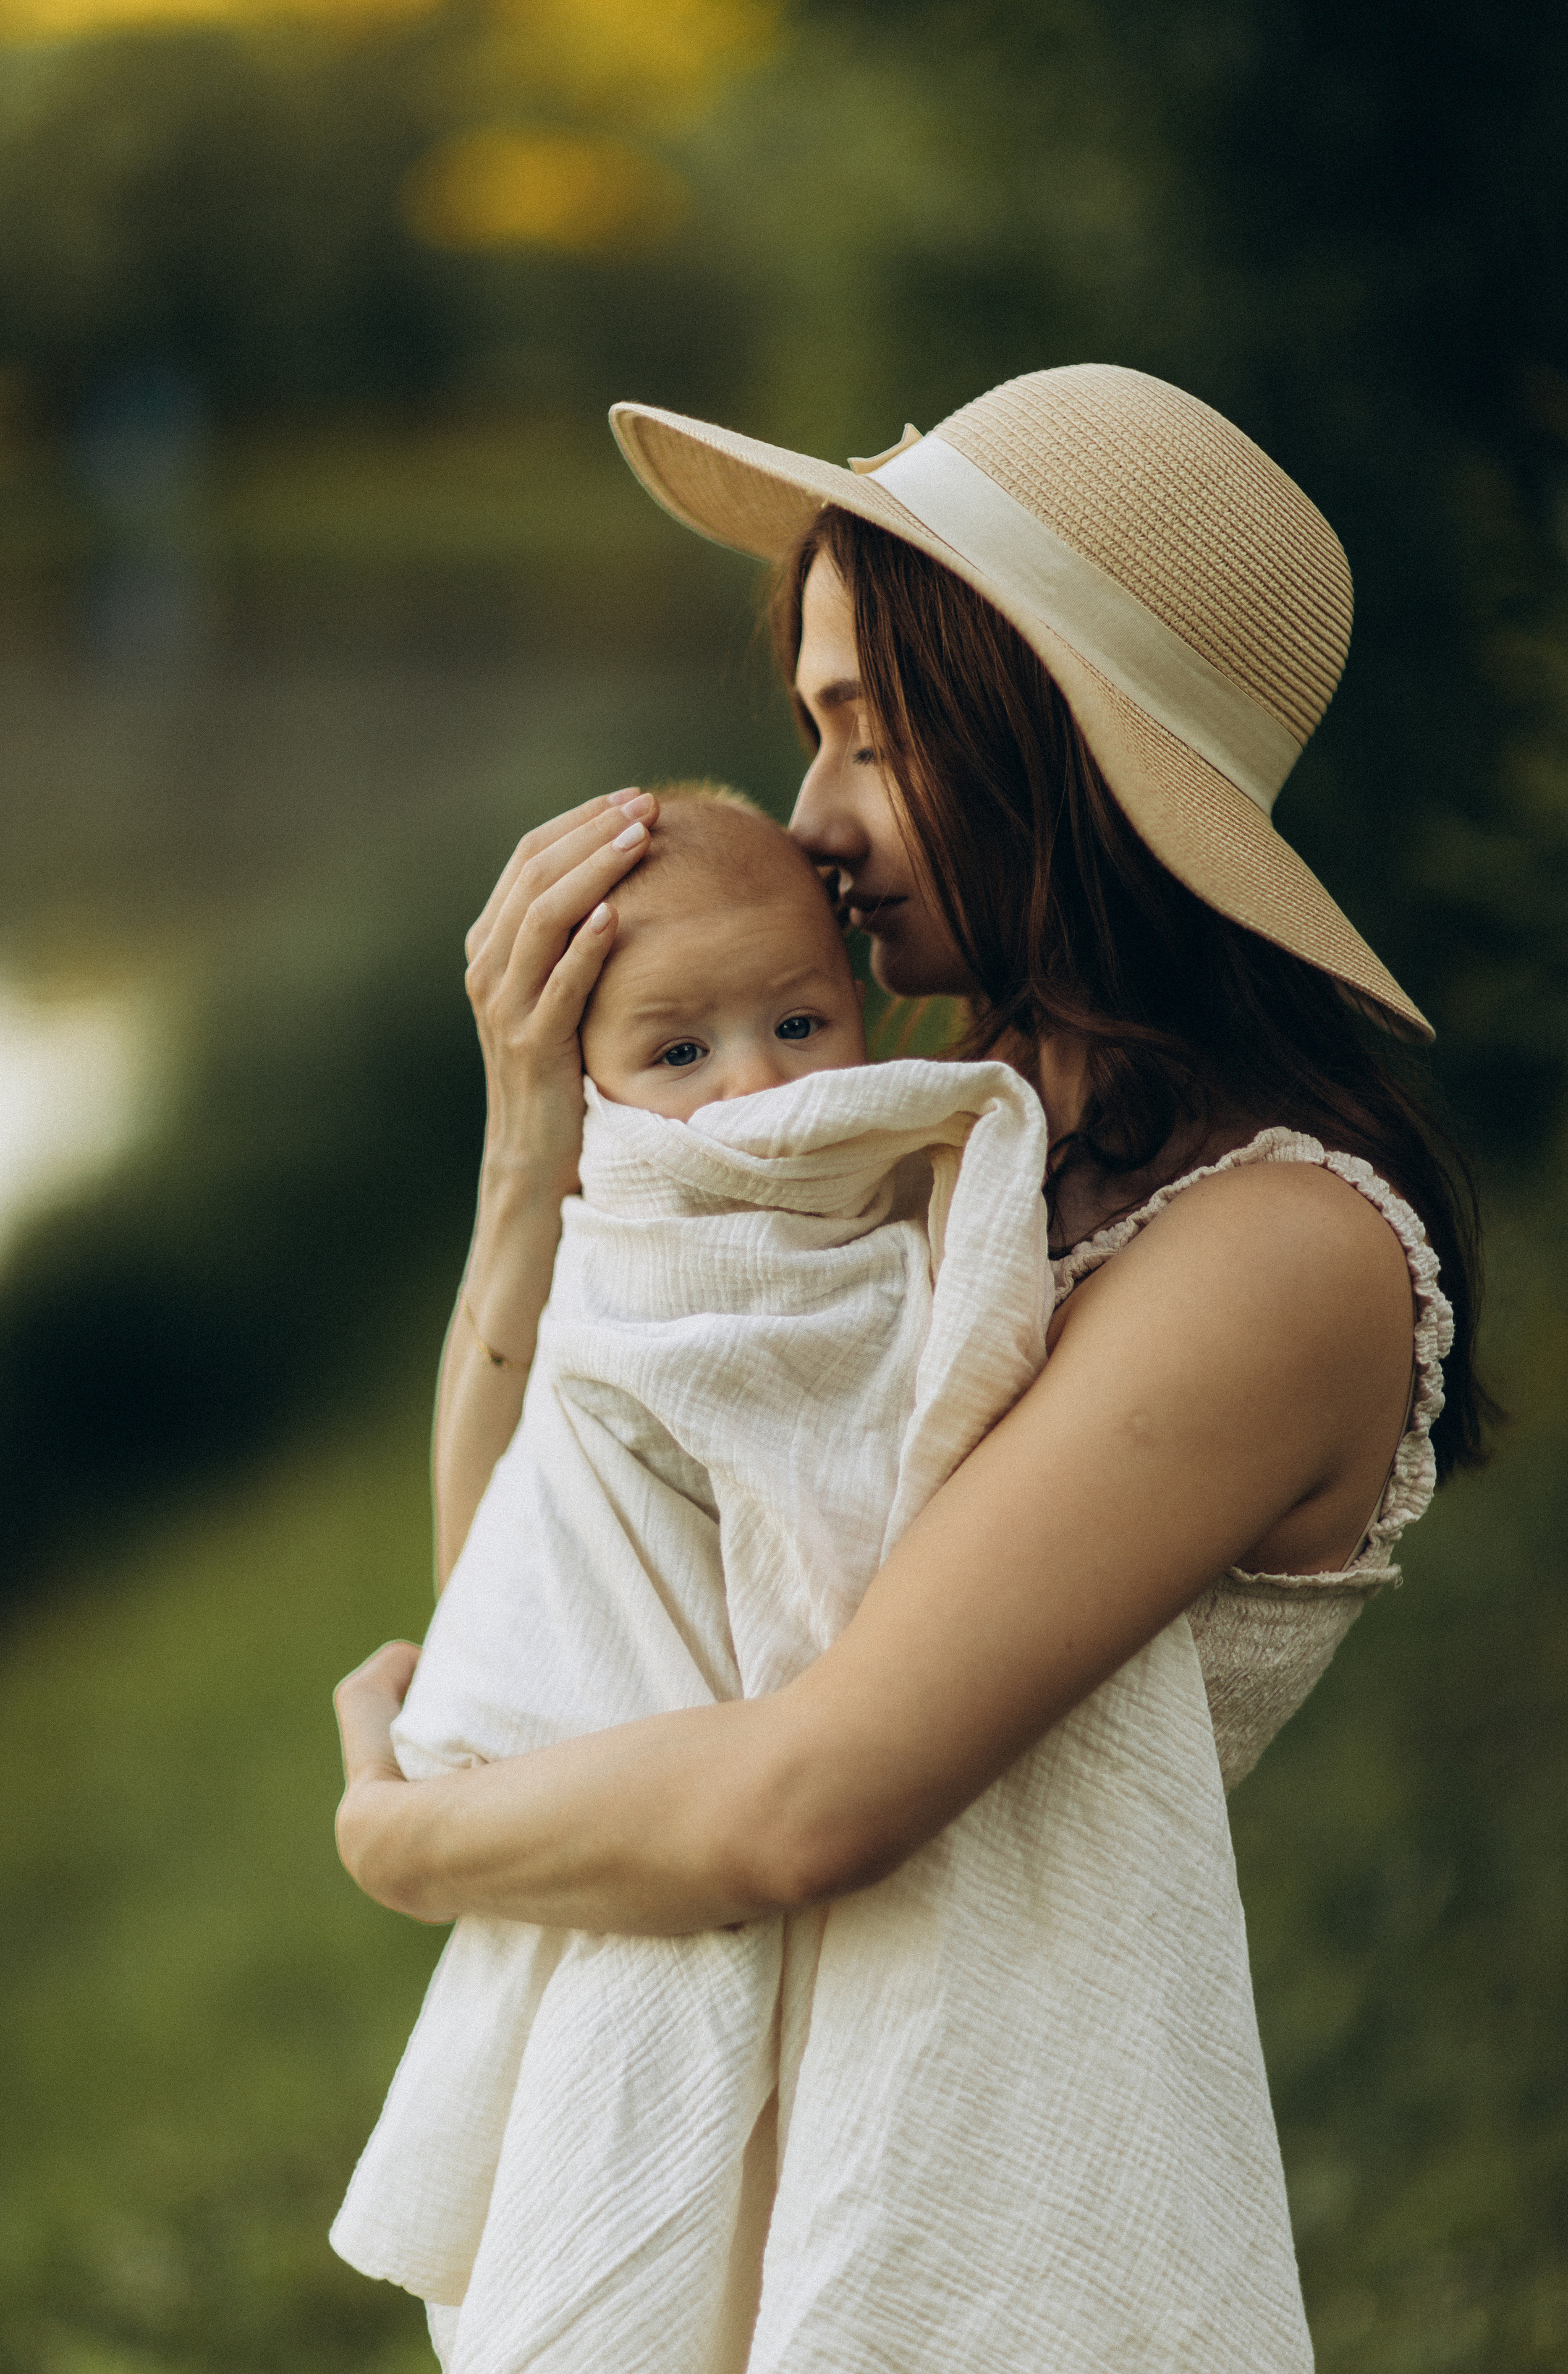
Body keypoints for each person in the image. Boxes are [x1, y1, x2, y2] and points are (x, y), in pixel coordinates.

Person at [333, 365, 1485, 2371]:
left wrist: (403, 1839)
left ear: (1061, 740)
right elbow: (555, 1593)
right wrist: (541, 1134)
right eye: (811, 726)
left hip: (963, 2205)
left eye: (869, 733)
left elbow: (807, 1805)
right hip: (737, 2133)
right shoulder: (918, 1132)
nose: (811, 821)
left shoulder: (1282, 1253)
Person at [333, 783, 1059, 2370]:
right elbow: (517, 1583)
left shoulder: (946, 1181)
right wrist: (529, 1154)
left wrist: (405, 1840)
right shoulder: (638, 1249)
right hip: (665, 1860)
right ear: (593, 1086)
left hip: (853, 1871)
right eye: (675, 1056)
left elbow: (818, 1726)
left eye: (798, 1026)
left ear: (856, 1008)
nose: (751, 1092)